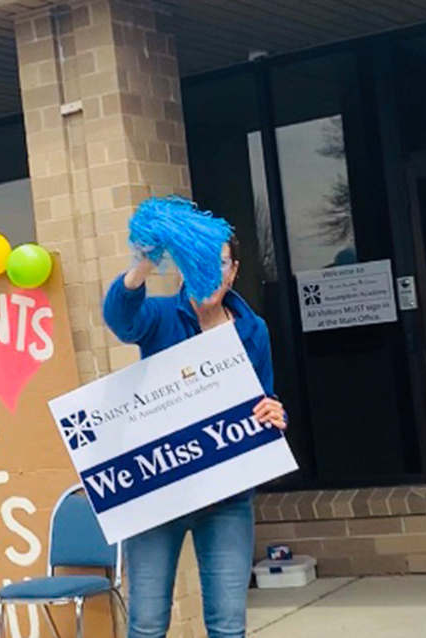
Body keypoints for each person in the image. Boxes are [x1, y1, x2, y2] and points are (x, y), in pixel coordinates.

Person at [103, 229, 287, 638]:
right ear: (185, 268)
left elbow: (263, 399)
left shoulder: (253, 330)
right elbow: (121, 320)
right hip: (158, 494)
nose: (209, 271)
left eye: (219, 262)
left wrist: (276, 414)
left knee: (228, 625)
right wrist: (143, 266)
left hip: (227, 498)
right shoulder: (162, 317)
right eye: (198, 261)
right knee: (147, 624)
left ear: (234, 271)